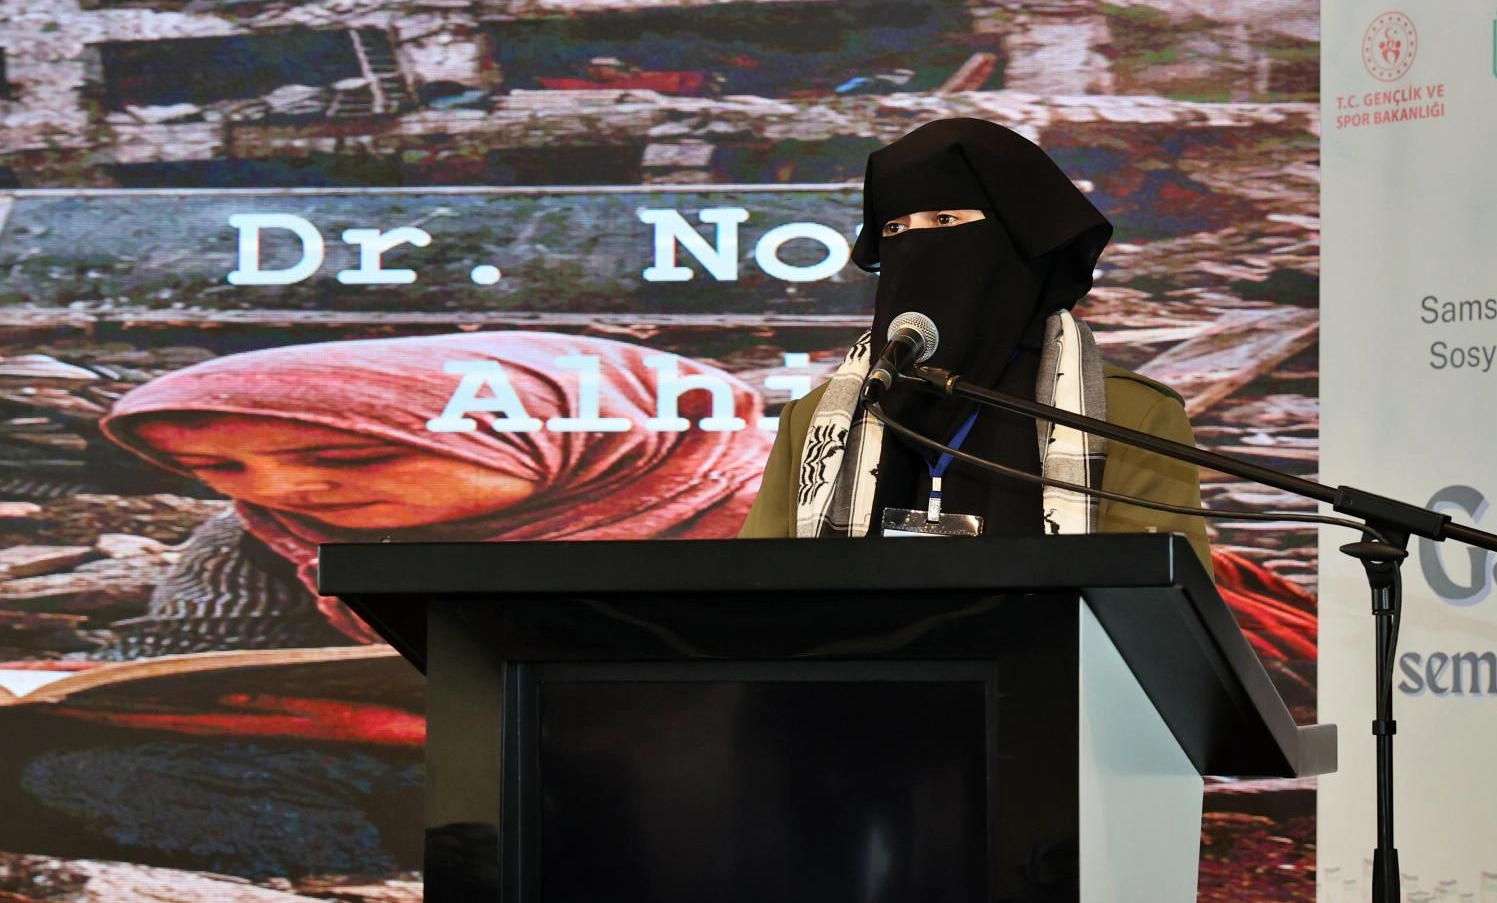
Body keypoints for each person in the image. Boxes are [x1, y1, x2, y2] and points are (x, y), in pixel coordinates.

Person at [99, 331, 768, 654]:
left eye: (353, 455)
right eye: (217, 467)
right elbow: (190, 660)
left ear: (576, 434)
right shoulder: (267, 538)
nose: (280, 488)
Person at [740, 117, 1212, 571]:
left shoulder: (1130, 418)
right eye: (895, 229)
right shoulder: (817, 422)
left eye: (945, 219)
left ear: (1013, 242)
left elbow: (1154, 606)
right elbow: (753, 592)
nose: (916, 247)